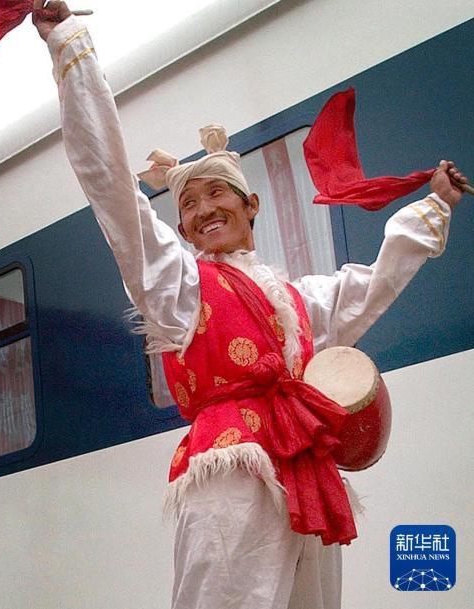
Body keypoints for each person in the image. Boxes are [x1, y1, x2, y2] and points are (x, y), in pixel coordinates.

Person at [32, 2, 467, 608]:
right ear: (181, 229)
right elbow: (110, 188)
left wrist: (434, 207)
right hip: (230, 477)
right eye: (189, 205)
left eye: (218, 194)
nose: (204, 210)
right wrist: (71, 49)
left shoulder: (298, 300)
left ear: (250, 204)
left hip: (307, 470)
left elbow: (371, 286)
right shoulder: (180, 289)